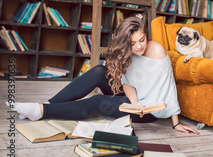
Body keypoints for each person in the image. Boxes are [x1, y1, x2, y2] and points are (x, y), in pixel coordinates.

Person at [7, 17, 199, 135]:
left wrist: (175, 124)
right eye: (132, 43)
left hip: (148, 112)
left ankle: (41, 111)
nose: (139, 46)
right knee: (100, 71)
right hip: (134, 100)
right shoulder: (129, 53)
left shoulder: (156, 51)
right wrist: (133, 100)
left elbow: (169, 86)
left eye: (142, 39)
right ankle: (49, 103)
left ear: (146, 35)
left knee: (99, 101)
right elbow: (128, 83)